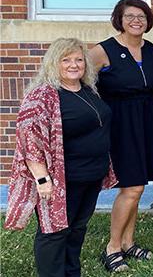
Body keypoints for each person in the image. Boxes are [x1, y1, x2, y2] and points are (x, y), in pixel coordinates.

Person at [4, 38, 118, 276]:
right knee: (54, 233)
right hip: (62, 180)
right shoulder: (42, 96)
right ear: (53, 63)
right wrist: (42, 178)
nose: (73, 65)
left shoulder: (87, 90)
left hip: (91, 175)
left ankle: (71, 272)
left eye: (78, 59)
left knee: (76, 229)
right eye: (65, 59)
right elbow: (29, 139)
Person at [89, 0, 153, 271]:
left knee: (137, 186)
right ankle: (112, 247)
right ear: (119, 19)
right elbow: (80, 83)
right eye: (130, 16)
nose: (136, 20)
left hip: (149, 122)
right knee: (132, 187)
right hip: (120, 125)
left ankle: (128, 242)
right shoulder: (103, 51)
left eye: (142, 16)